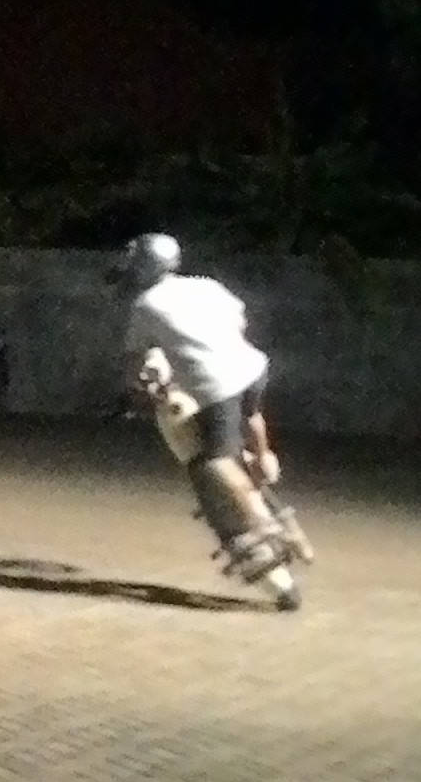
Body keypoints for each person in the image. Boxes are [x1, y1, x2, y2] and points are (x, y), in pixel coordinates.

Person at [113, 233, 301, 605]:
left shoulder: (145, 305)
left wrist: (138, 389)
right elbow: (238, 319)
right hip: (251, 368)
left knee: (210, 464)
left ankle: (261, 522)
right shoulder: (206, 285)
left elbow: (134, 362)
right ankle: (262, 457)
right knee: (249, 417)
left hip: (216, 386)